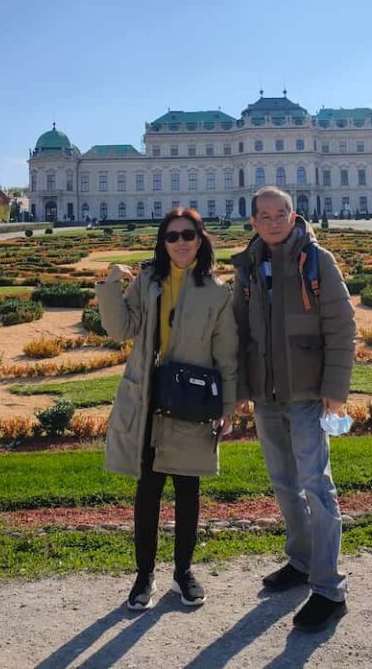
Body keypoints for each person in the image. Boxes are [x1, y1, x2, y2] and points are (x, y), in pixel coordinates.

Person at [95, 207, 238, 612]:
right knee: (148, 491)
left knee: (188, 490)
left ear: (200, 239)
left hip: (192, 400)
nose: (180, 242)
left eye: (188, 235)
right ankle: (144, 575)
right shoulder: (147, 282)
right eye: (172, 236)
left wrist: (227, 405)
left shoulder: (217, 292)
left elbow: (226, 355)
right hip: (149, 396)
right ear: (163, 241)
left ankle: (183, 572)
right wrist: (109, 284)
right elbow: (120, 329)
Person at [233, 186, 356, 632]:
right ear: (253, 222)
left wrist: (335, 388)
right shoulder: (246, 266)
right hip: (267, 396)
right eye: (263, 215)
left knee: (316, 487)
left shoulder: (317, 260)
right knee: (285, 485)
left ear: (293, 214)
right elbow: (239, 332)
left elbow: (342, 326)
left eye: (279, 213)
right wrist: (243, 388)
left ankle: (329, 588)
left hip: (307, 394)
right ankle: (301, 562)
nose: (272, 221)